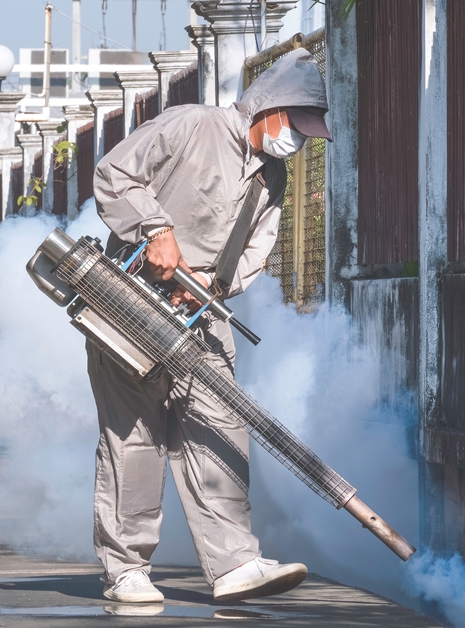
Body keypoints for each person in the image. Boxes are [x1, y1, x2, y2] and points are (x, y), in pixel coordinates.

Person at [88, 48, 332, 604]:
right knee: (135, 436)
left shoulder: (273, 175)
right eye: (294, 127)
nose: (295, 140)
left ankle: (234, 564)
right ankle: (126, 569)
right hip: (128, 301)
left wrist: (211, 286)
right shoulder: (192, 124)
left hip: (199, 313)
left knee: (219, 430)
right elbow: (113, 174)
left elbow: (255, 252)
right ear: (268, 108)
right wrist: (154, 229)